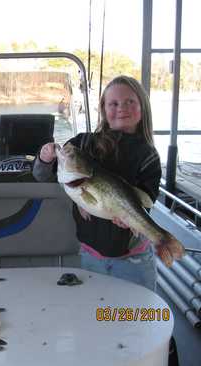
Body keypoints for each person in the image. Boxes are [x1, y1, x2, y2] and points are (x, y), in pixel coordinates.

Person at [33, 75, 161, 291]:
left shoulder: (148, 155)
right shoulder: (82, 143)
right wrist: (45, 158)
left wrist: (130, 217)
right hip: (90, 256)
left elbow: (146, 200)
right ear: (103, 109)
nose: (122, 108)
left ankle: (162, 240)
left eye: (130, 101)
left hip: (134, 260)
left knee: (140, 317)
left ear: (143, 108)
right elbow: (42, 175)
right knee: (101, 316)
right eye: (114, 103)